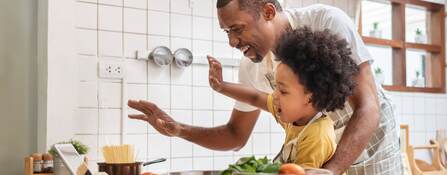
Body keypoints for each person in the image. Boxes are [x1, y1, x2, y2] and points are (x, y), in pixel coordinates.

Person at [128, 0, 401, 174]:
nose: (232, 42)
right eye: (227, 32)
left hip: (371, 145)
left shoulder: (327, 22)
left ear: (268, 11)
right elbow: (236, 135)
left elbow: (367, 106)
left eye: (237, 29)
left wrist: (332, 170)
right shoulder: (252, 65)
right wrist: (178, 129)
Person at [209, 27, 358, 168]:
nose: (274, 95)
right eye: (276, 87)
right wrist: (221, 86)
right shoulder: (296, 116)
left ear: (310, 98)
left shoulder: (317, 136)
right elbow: (254, 97)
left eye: (283, 91)